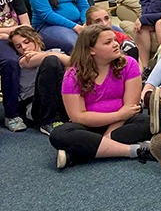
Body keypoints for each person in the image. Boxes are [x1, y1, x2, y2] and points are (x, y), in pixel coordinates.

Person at [48, 25, 153, 169]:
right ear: (91, 50)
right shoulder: (72, 75)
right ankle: (133, 150)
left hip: (121, 124)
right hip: (88, 127)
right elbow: (78, 116)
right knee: (59, 134)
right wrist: (117, 115)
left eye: (115, 40)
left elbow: (130, 108)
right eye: (107, 42)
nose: (116, 44)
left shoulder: (129, 64)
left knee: (149, 122)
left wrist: (107, 135)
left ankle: (78, 154)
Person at [8, 26, 70, 134]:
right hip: (35, 106)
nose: (24, 47)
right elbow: (50, 59)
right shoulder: (22, 60)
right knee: (51, 61)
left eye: (27, 42)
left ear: (36, 38)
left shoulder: (55, 52)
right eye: (18, 46)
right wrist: (56, 56)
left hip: (61, 99)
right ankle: (49, 121)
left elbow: (75, 63)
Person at [0, 0, 33, 131]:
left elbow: (26, 25)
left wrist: (9, 34)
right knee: (11, 62)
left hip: (17, 36)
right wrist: (9, 33)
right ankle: (12, 115)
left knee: (50, 55)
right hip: (6, 40)